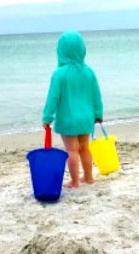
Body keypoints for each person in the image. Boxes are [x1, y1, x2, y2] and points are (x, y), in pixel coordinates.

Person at [42, 31, 103, 188]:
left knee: (72, 150)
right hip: (86, 118)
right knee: (84, 148)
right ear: (82, 49)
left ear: (61, 51)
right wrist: (98, 113)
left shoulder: (59, 74)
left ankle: (75, 181)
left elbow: (53, 98)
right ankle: (89, 177)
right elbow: (96, 95)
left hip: (68, 119)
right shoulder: (89, 72)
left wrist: (47, 117)